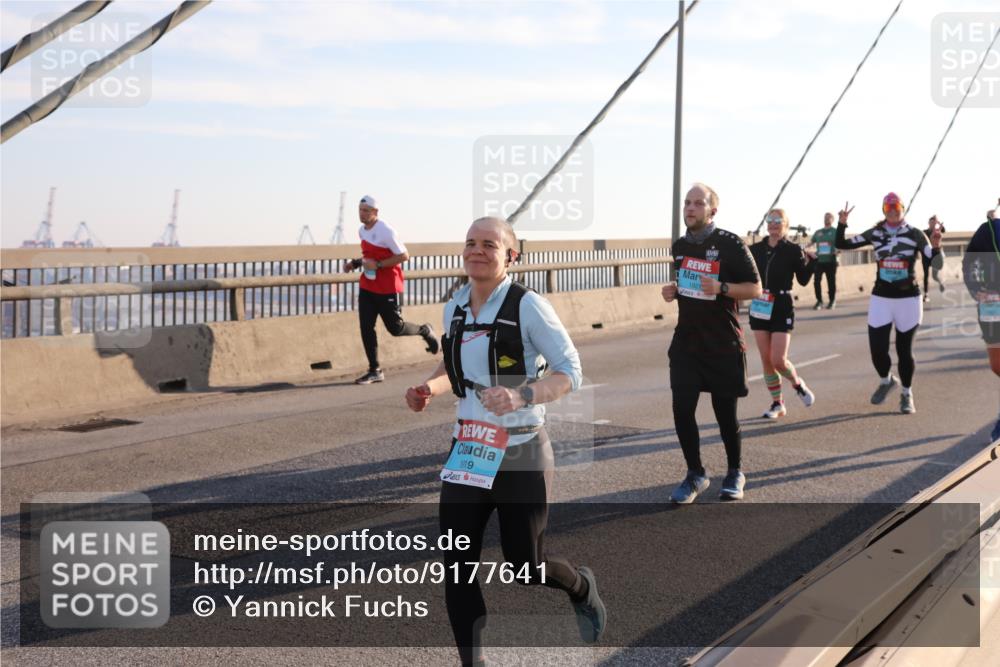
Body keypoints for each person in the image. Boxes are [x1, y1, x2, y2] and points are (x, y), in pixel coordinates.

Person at [404, 216, 606, 665]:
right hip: (469, 450)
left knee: (525, 567)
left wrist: (521, 394)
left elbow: (569, 371)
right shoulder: (454, 304)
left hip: (521, 451)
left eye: (489, 244)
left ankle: (580, 585)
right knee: (456, 568)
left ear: (510, 256)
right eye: (470, 243)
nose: (477, 251)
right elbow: (453, 369)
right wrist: (427, 390)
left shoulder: (528, 305)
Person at [661, 183, 762, 503]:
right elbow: (689, 286)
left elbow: (755, 289)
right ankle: (695, 474)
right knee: (681, 409)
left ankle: (735, 471)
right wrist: (674, 290)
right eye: (687, 203)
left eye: (697, 203)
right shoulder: (679, 246)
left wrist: (721, 287)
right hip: (687, 342)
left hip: (722, 343)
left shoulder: (731, 243)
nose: (690, 208)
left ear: (712, 210)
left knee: (724, 414)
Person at [836, 193, 932, 414]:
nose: (892, 209)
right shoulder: (876, 233)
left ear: (903, 208)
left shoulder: (915, 233)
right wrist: (842, 224)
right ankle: (886, 380)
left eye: (896, 206)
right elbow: (842, 244)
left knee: (903, 350)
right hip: (881, 297)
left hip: (908, 299)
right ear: (883, 209)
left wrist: (936, 245)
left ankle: (907, 394)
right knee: (877, 350)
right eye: (888, 206)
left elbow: (933, 259)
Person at [344, 195, 439, 384]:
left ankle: (424, 331)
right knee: (366, 327)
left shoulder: (385, 230)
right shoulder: (362, 231)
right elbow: (368, 256)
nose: (362, 214)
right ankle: (374, 370)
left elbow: (404, 255)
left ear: (375, 212)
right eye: (360, 210)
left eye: (366, 211)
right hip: (368, 286)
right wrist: (355, 263)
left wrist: (378, 265)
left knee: (395, 328)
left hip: (388, 287)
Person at [749, 209, 817, 419]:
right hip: (760, 304)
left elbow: (803, 279)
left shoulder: (792, 250)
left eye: (778, 221)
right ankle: (777, 404)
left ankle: (797, 384)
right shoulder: (755, 249)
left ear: (786, 224)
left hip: (782, 304)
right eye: (770, 220)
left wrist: (812, 261)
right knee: (766, 361)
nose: (773, 224)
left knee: (778, 359)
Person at [962, 210, 1000, 441]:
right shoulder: (989, 230)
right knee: (998, 365)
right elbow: (970, 261)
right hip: (992, 307)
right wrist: (977, 289)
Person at [810, 212, 839, 309]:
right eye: (825, 217)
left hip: (831, 261)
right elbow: (811, 242)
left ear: (832, 220)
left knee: (831, 282)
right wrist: (802, 248)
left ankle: (832, 301)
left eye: (829, 218)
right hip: (819, 261)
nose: (826, 219)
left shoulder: (835, 231)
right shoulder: (818, 232)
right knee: (816, 281)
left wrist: (838, 251)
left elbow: (841, 245)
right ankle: (819, 301)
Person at [921, 215, 947, 301]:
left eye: (934, 222)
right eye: (931, 222)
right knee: (926, 275)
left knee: (934, 276)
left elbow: (943, 230)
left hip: (936, 255)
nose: (932, 224)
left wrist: (939, 224)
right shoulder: (924, 232)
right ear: (928, 223)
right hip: (926, 256)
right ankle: (926, 294)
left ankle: (940, 282)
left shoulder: (938, 231)